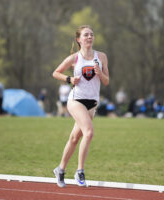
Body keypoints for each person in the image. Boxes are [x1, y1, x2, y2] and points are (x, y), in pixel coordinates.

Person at [52, 25, 109, 187]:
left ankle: (60, 169)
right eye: (86, 35)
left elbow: (106, 82)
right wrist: (69, 79)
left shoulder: (102, 57)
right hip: (76, 100)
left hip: (92, 102)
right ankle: (80, 171)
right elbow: (56, 72)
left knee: (75, 138)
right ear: (79, 39)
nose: (90, 37)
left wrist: (100, 73)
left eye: (92, 34)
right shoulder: (75, 58)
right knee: (89, 132)